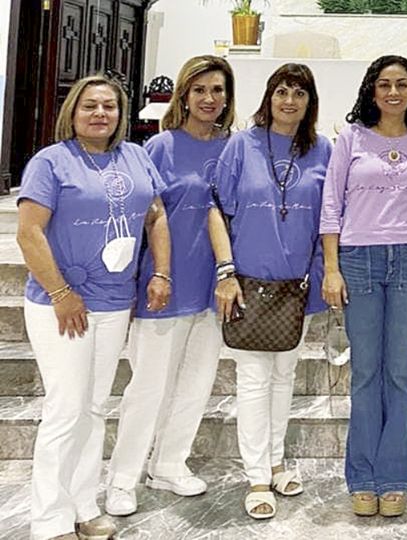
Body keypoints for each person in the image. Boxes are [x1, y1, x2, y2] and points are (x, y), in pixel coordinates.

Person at [17, 74, 170, 540]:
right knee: (66, 409)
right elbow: (29, 233)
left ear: (121, 114)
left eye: (109, 106)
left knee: (95, 407)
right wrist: (62, 294)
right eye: (90, 106)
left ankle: (84, 506)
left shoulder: (136, 156)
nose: (100, 114)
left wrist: (161, 272)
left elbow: (156, 214)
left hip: (114, 301)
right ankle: (48, 520)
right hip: (61, 303)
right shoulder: (51, 161)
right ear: (73, 112)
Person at [104, 55, 236, 517]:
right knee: (149, 386)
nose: (209, 99)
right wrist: (151, 274)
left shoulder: (234, 147)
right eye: (199, 90)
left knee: (197, 382)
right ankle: (123, 478)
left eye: (217, 90)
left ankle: (169, 463)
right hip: (165, 282)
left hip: (215, 285)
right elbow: (146, 214)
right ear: (183, 94)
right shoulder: (159, 147)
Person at [320, 55, 407, 518]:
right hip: (359, 260)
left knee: (399, 373)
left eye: (402, 84)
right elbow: (331, 206)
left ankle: (395, 478)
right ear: (371, 90)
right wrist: (332, 268)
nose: (394, 92)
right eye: (385, 84)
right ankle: (362, 476)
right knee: (366, 372)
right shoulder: (350, 138)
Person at [208, 63, 333, 520]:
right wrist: (226, 272)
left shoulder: (323, 150)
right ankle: (256, 474)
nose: (289, 101)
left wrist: (326, 273)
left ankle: (276, 459)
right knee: (254, 380)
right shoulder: (241, 144)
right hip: (247, 284)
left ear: (310, 102)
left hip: (297, 287)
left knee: (284, 377)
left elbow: (330, 220)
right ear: (269, 96)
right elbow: (216, 210)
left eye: (300, 93)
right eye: (282, 91)